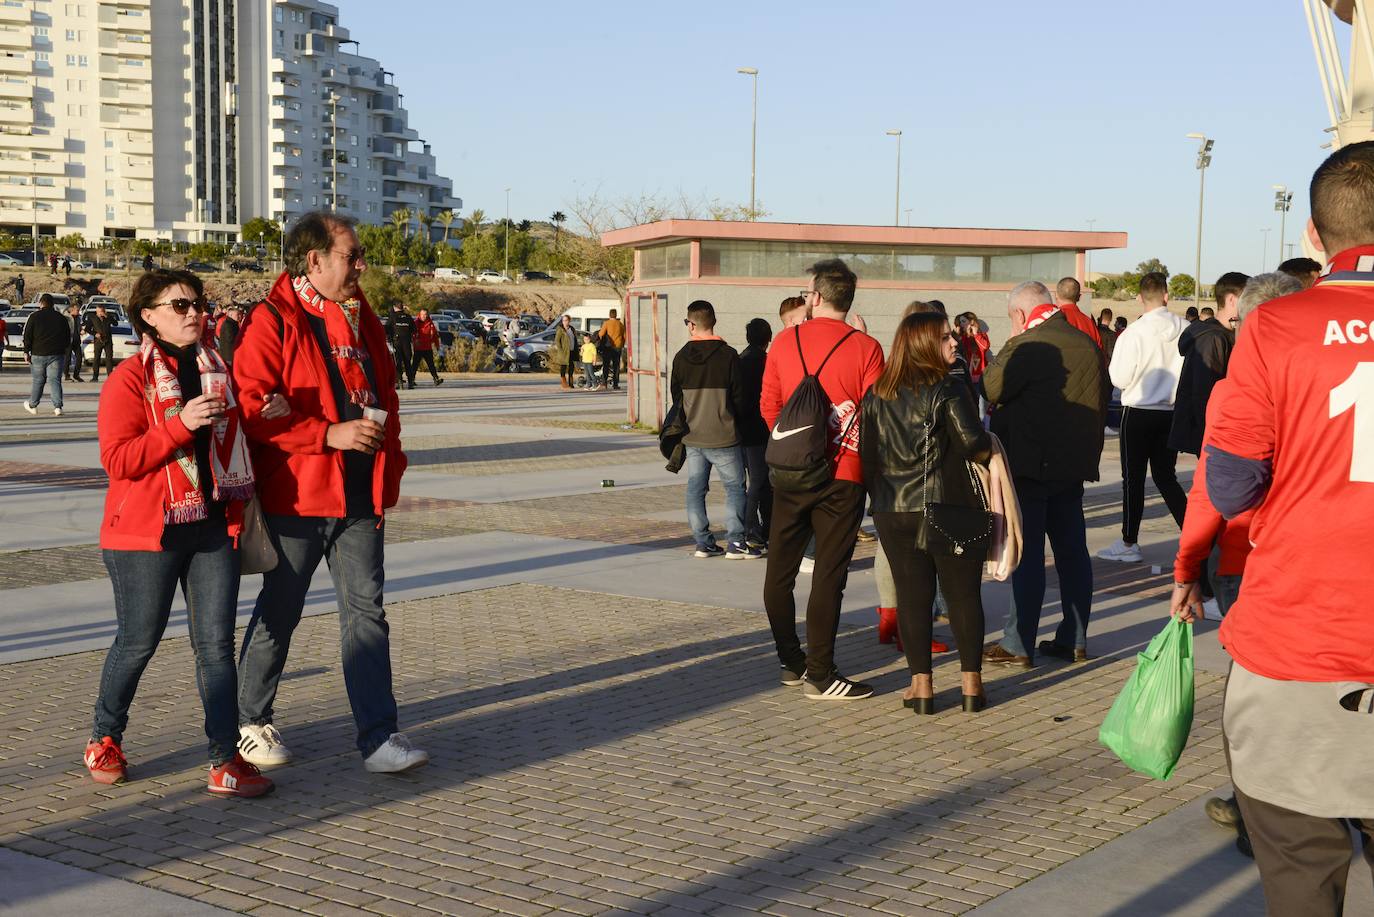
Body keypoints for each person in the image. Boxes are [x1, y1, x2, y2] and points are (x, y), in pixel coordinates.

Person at [1186, 142, 1374, 915]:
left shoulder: (1275, 328)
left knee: (1300, 870)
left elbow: (1229, 481)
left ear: (1313, 236)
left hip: (1302, 644)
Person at [232, 211, 428, 774]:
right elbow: (252, 408)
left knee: (367, 614)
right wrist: (324, 432)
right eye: (351, 255)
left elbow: (383, 398)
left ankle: (378, 737)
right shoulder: (273, 320)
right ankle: (249, 722)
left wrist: (388, 473)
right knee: (282, 609)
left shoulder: (362, 317)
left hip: (361, 497)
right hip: (298, 497)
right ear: (313, 261)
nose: (361, 264)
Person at [83, 268, 282, 798]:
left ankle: (225, 761)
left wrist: (265, 416)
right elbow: (118, 460)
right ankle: (105, 736)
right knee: (137, 642)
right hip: (146, 535)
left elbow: (236, 449)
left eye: (198, 303)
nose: (194, 313)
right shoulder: (130, 379)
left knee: (215, 647)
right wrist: (180, 424)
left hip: (212, 528)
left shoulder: (219, 371)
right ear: (148, 316)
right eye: (179, 305)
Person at [1170, 271, 1303, 852]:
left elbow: (1209, 492)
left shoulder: (1238, 390)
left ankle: (1258, 817)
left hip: (1247, 560)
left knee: (1255, 699)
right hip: (1317, 560)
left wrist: (1185, 569)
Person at [762, 259, 885, 699]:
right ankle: (821, 672)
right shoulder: (867, 348)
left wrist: (799, 445)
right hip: (844, 474)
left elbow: (770, 408)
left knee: (780, 571)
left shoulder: (784, 341)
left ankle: (790, 661)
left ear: (815, 296)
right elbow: (876, 414)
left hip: (790, 470)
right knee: (829, 576)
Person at [861, 312, 991, 713]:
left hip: (892, 508)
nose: (954, 342)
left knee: (913, 598)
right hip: (945, 506)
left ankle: (921, 688)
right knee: (963, 596)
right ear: (922, 344)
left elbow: (867, 456)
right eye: (945, 337)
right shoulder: (948, 388)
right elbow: (974, 444)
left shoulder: (877, 392)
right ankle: (971, 686)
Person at [982, 281, 1106, 668]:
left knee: (1028, 553)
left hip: (1031, 464)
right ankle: (1075, 637)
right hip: (1072, 465)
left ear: (1020, 315)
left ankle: (1019, 642)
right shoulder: (1087, 341)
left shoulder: (1027, 344)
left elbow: (990, 387)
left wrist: (1010, 342)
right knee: (1072, 553)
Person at [1096, 272, 1188, 564]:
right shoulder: (1186, 329)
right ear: (1166, 296)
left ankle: (1129, 542)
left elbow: (1120, 377)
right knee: (1166, 478)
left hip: (1137, 411)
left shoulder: (1133, 333)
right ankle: (1192, 535)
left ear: (1139, 297)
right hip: (1171, 413)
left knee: (1132, 480)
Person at [670, 299, 757, 560]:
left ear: (691, 324)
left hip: (693, 435)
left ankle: (702, 542)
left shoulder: (681, 357)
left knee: (696, 489)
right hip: (725, 435)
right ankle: (736, 542)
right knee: (734, 488)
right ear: (714, 322)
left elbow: (676, 399)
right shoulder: (729, 355)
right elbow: (741, 398)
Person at [1168, 271, 1249, 456]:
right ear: (1232, 300)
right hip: (1212, 435)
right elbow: (1204, 393)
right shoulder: (1212, 338)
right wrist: (1212, 435)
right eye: (1248, 296)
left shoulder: (1223, 335)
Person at [738, 317, 772, 550]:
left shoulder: (740, 360)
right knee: (761, 481)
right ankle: (753, 528)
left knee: (755, 481)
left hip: (741, 430)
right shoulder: (766, 362)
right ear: (768, 339)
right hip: (761, 429)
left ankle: (758, 527)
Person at [22, 293, 68, 416]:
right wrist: (62, 349)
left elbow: (27, 336)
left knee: (38, 380)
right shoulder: (61, 318)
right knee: (55, 380)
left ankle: (33, 405)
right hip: (56, 354)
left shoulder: (34, 317)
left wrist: (26, 351)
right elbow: (67, 337)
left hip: (38, 353)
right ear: (53, 304)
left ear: (41, 303)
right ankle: (58, 407)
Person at [1054, 277, 1103, 347]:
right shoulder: (1090, 323)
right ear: (1079, 297)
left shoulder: (1051, 319)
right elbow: (1099, 352)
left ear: (1056, 295)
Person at [384, 303, 415, 389]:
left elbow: (386, 329)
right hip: (407, 343)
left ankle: (400, 381)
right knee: (408, 362)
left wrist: (389, 338)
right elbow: (414, 329)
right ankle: (410, 382)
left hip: (396, 343)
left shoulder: (392, 317)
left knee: (398, 363)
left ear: (395, 308)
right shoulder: (408, 317)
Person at [410, 308, 444, 386]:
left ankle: (436, 379)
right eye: (422, 314)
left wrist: (437, 345)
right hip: (418, 348)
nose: (424, 316)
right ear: (420, 314)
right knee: (415, 365)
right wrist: (415, 341)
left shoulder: (430, 323)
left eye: (425, 314)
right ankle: (411, 380)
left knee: (431, 364)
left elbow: (435, 336)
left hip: (427, 348)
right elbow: (412, 335)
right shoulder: (415, 323)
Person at [86, 302, 117, 381]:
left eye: (102, 311)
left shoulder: (108, 317)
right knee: (96, 359)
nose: (100, 313)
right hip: (98, 341)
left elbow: (115, 324)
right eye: (99, 312)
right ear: (96, 311)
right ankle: (95, 377)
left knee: (109, 359)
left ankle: (110, 376)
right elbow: (87, 329)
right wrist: (95, 334)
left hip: (108, 340)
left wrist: (107, 316)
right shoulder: (92, 318)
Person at [598, 308, 625, 390]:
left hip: (608, 347)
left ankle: (604, 383)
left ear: (609, 315)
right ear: (616, 315)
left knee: (606, 365)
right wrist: (621, 344)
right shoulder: (620, 324)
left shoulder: (606, 323)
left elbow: (601, 334)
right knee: (616, 366)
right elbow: (624, 336)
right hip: (617, 347)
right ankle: (615, 384)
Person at [551, 314, 576, 390]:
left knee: (571, 367)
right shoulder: (560, 329)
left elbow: (574, 339)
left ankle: (571, 383)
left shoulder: (572, 329)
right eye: (563, 320)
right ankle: (563, 382)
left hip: (571, 351)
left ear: (569, 321)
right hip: (564, 352)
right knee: (563, 366)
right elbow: (557, 341)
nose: (564, 322)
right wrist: (560, 350)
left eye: (566, 320)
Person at [63, 302, 83, 382]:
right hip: (68, 340)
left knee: (79, 358)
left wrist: (81, 330)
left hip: (76, 340)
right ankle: (67, 375)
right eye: (77, 310)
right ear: (72, 309)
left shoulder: (78, 318)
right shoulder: (65, 317)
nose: (78, 311)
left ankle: (76, 375)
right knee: (67, 358)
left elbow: (79, 327)